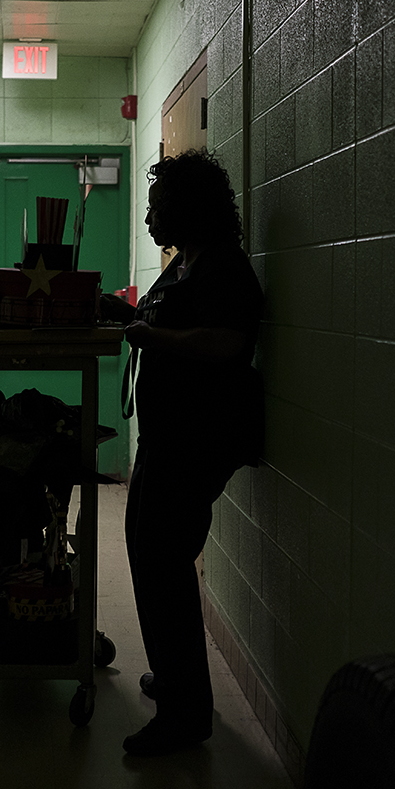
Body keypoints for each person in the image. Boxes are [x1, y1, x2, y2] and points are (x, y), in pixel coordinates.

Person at [102, 149, 264, 756]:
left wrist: (151, 335)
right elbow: (160, 322)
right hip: (167, 438)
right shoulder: (183, 266)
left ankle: (186, 712)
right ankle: (175, 681)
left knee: (164, 560)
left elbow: (224, 343)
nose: (149, 219)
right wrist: (123, 315)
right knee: (147, 553)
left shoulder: (225, 268)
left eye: (158, 208)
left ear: (189, 209)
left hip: (199, 440)